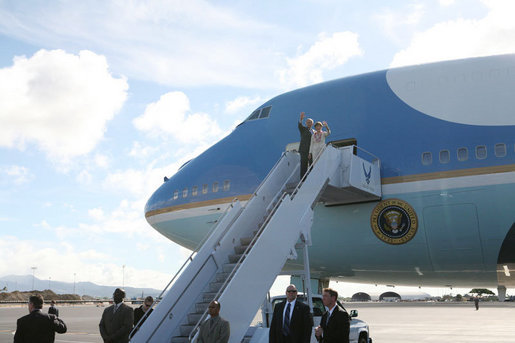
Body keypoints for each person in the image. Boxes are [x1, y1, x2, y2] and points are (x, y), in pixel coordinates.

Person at [298, 112, 314, 178]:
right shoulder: (303, 129)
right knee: (303, 164)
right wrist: (301, 119)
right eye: (307, 122)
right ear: (306, 123)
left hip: (311, 150)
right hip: (304, 150)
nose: (308, 123)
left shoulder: (314, 131)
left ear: (312, 123)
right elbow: (300, 126)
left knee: (312, 164)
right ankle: (303, 179)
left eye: (310, 122)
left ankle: (312, 178)